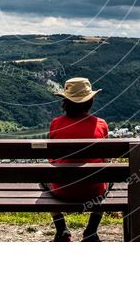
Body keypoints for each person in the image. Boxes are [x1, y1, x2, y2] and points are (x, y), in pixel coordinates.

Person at [46, 77, 109, 242]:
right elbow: (106, 161)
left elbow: (52, 161)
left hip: (62, 190)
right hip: (93, 192)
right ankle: (91, 231)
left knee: (43, 178)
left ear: (65, 101)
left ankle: (62, 230)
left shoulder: (55, 124)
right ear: (90, 101)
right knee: (109, 177)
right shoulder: (101, 124)